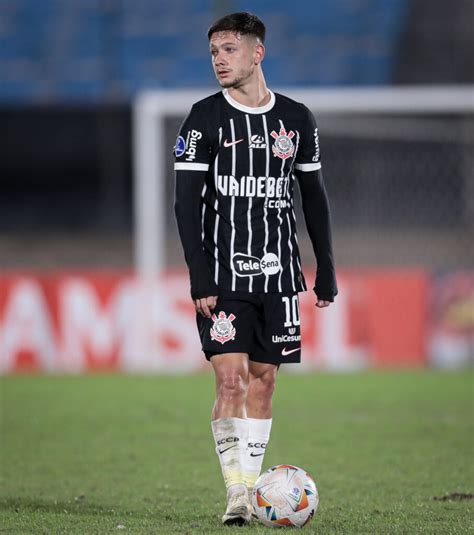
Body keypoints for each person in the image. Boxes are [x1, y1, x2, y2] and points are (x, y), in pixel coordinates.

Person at [174, 12, 337, 525]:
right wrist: (199, 276)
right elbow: (185, 205)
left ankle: (251, 485)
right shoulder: (202, 119)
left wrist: (326, 268)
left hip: (281, 275)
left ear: (256, 52)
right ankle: (238, 497)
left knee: (264, 381)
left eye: (228, 49)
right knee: (230, 381)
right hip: (223, 278)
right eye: (214, 52)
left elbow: (313, 198)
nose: (219, 60)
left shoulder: (296, 118)